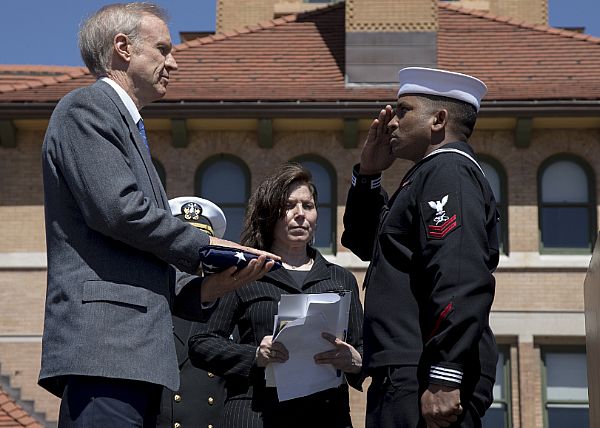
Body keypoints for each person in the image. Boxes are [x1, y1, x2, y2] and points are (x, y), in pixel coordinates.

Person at [40, 3, 276, 426]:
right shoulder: (87, 108)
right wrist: (207, 247)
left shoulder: (128, 127)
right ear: (123, 48)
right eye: (164, 48)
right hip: (107, 354)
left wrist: (215, 285)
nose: (174, 61)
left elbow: (143, 259)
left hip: (139, 360)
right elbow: (120, 211)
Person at [341, 67, 500, 428]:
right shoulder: (425, 174)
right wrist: (368, 175)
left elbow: (459, 275)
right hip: (404, 369)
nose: (391, 122)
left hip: (424, 371)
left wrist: (445, 374)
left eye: (403, 110)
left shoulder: (449, 171)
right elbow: (367, 245)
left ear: (438, 120)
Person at [188, 163, 364, 428]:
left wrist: (354, 361)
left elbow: (363, 348)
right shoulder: (244, 274)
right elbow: (201, 343)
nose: (300, 214)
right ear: (269, 214)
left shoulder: (341, 279)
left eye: (308, 205)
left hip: (326, 415)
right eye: (289, 205)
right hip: (256, 414)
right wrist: (255, 355)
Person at [156, 196, 229, 428]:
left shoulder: (226, 305)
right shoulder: (154, 301)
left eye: (199, 249)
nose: (190, 257)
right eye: (184, 247)